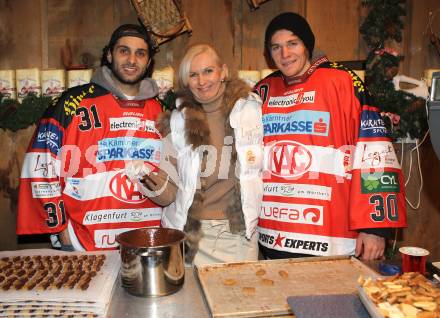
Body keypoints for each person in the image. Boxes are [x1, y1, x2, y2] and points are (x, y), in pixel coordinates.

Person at [254, 12, 407, 261]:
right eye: (276, 47)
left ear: (306, 45)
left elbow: (375, 153)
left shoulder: (343, 81)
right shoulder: (262, 90)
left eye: (292, 43)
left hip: (330, 238)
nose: (285, 54)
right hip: (272, 232)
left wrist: (375, 228)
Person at [17, 24, 175, 251]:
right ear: (110, 54)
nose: (132, 60)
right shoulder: (73, 102)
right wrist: (62, 231)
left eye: (140, 53)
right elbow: (40, 166)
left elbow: (175, 177)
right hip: (84, 244)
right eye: (124, 51)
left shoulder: (161, 111)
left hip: (147, 243)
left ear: (148, 62)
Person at [157, 44, 263, 265]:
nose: (202, 81)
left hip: (239, 234)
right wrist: (144, 178)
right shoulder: (177, 121)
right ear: (186, 81)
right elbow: (168, 188)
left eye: (208, 71)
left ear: (223, 71)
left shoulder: (251, 111)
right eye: (193, 75)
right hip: (192, 236)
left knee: (241, 298)